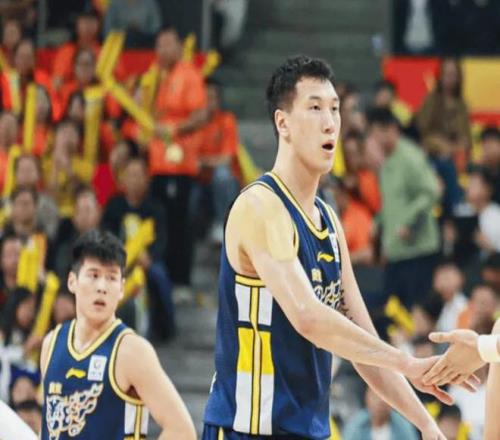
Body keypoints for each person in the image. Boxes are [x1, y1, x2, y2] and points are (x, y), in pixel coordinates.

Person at [202, 55, 458, 440]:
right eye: (315, 107)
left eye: (335, 109)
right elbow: (308, 317)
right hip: (248, 430)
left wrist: (427, 426)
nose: (330, 122)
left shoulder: (329, 222)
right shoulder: (260, 207)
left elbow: (364, 345)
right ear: (283, 123)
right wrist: (406, 362)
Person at [39, 230, 196, 439]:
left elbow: (181, 430)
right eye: (94, 275)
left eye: (111, 278)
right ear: (72, 281)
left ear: (121, 288)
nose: (102, 287)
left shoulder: (131, 351)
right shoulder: (51, 344)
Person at [368, 107, 440, 309]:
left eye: (378, 133)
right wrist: (378, 223)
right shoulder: (387, 161)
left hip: (417, 251)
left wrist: (409, 221)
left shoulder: (410, 157)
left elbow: (431, 191)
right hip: (397, 252)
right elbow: (392, 203)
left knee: (414, 311)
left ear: (391, 129)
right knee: (392, 311)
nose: (376, 140)